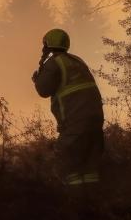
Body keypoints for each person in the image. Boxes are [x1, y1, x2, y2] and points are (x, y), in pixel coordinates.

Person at [31, 28, 105, 187]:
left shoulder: (53, 62)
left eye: (44, 45)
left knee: (70, 168)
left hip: (75, 123)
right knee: (90, 169)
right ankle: (95, 204)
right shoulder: (77, 60)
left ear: (48, 44)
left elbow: (44, 90)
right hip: (95, 121)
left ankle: (76, 205)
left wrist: (38, 78)